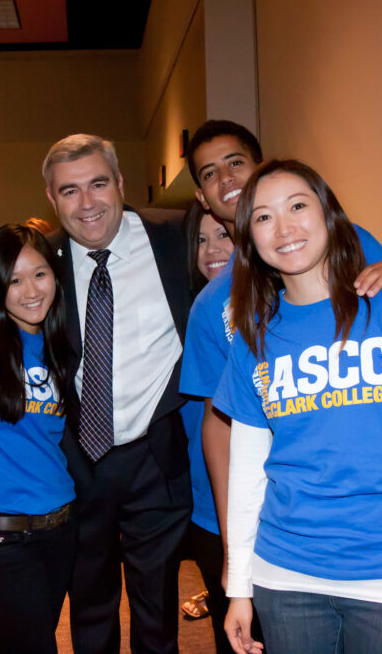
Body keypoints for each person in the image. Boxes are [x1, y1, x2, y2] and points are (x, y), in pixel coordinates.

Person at [214, 160, 382, 654]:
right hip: (284, 574)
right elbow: (247, 472)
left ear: (330, 214)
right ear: (249, 238)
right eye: (263, 217)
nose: (284, 228)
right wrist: (240, 587)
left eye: (297, 206)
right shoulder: (253, 337)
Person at [179, 120, 382, 588]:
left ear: (260, 166)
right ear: (202, 197)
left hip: (364, 512)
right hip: (259, 509)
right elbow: (218, 422)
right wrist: (232, 540)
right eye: (209, 173)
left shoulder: (350, 245)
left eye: (236, 162)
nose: (226, 179)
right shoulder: (210, 306)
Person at [45, 134, 192, 653]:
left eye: (98, 184)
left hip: (157, 454)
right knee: (90, 604)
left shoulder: (177, 236)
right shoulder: (41, 260)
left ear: (121, 183)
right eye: (69, 191)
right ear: (51, 199)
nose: (86, 204)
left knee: (158, 609)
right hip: (78, 460)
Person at [0, 224, 76, 653]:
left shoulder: (62, 345)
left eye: (39, 274)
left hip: (61, 528)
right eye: (14, 280)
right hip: (2, 539)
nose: (30, 291)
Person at [178, 202, 236, 652]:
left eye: (223, 235)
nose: (212, 249)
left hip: (257, 499)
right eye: (201, 238)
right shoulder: (193, 314)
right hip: (204, 504)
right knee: (226, 625)